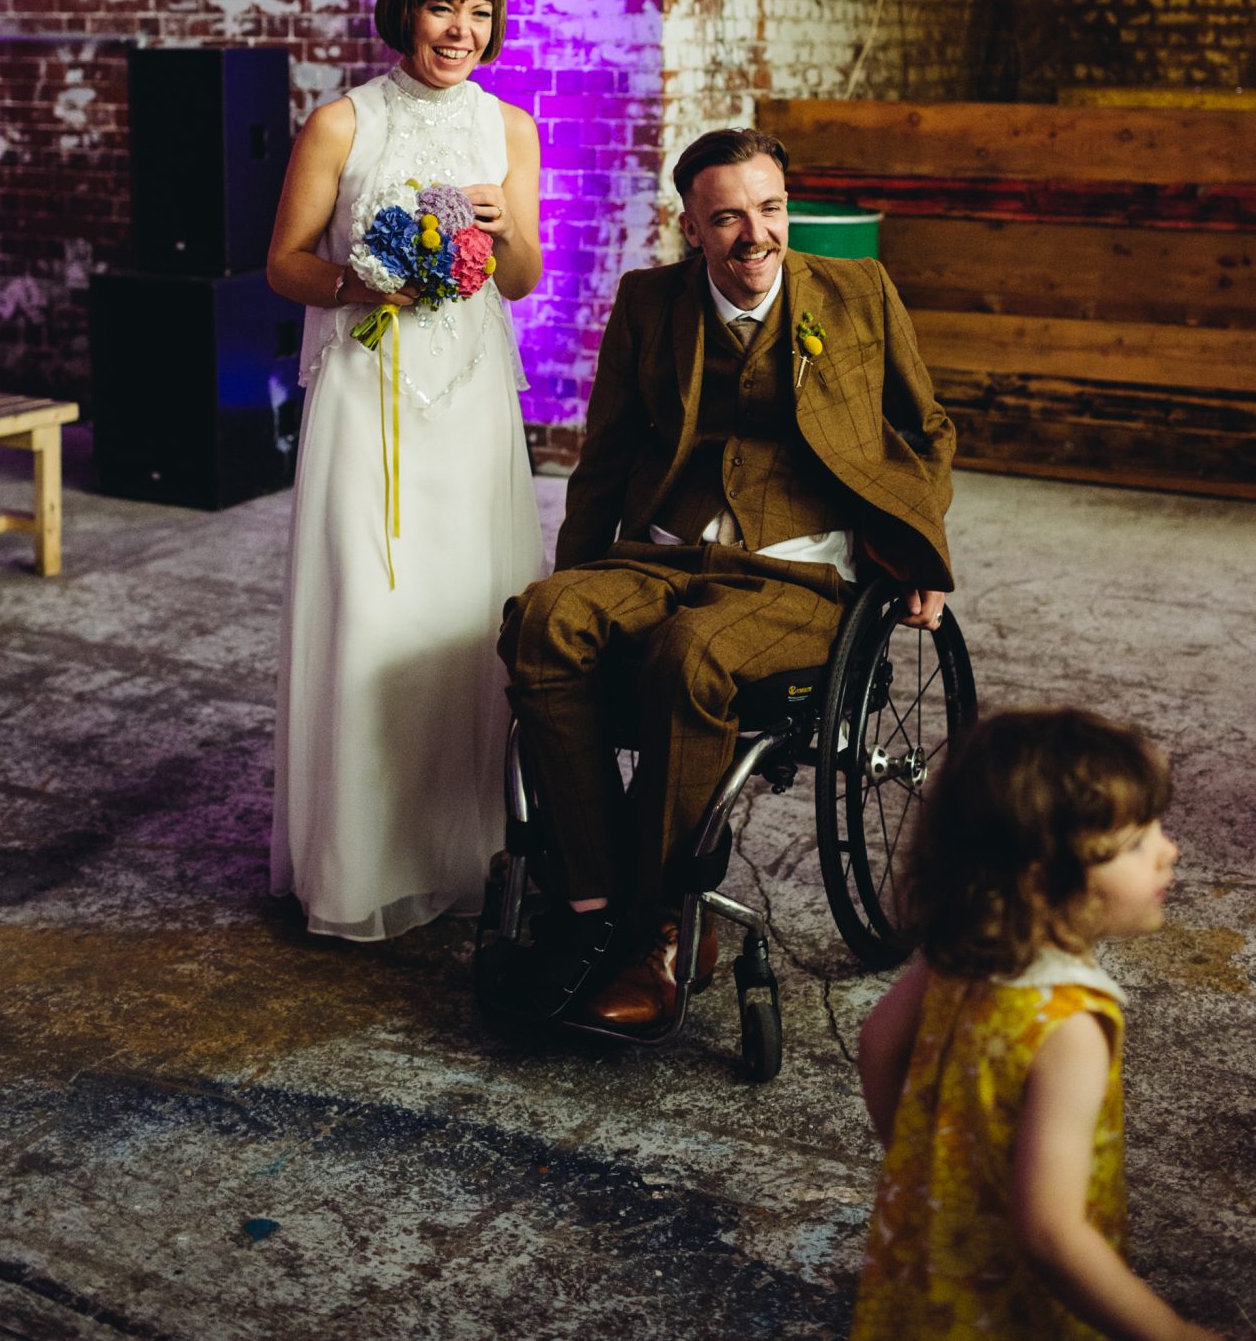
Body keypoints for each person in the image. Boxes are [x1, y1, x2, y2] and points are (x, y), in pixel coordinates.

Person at [498, 125, 954, 1026]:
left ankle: (665, 927)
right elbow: (608, 452)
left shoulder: (857, 293)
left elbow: (927, 428)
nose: (758, 236)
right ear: (692, 227)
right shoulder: (648, 301)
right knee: (544, 620)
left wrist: (920, 550)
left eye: (772, 209)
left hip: (794, 575)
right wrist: (580, 573)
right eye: (730, 218)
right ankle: (591, 901)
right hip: (663, 548)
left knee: (690, 654)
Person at [267, 0, 545, 941]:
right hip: (367, 391)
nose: (460, 30)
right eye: (441, 7)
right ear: (405, 13)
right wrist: (357, 278)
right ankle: (358, 864)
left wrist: (504, 227)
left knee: (469, 624)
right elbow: (283, 263)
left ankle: (464, 850)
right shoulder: (344, 122)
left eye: (477, 11)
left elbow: (521, 280)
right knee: (371, 617)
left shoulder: (510, 129)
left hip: (469, 403)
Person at [851, 707, 1222, 1341]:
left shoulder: (956, 953)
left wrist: (922, 1176)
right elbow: (1051, 1235)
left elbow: (877, 1046)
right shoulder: (1070, 1025)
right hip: (1011, 1310)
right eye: (1134, 844)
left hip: (921, 1276)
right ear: (1043, 883)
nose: (1169, 850)